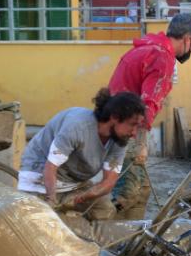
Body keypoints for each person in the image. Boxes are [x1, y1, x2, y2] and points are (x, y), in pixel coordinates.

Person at [108, 13, 191, 219]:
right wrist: (141, 142)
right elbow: (147, 104)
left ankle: (130, 237)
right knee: (127, 193)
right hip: (126, 128)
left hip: (118, 122)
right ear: (187, 39)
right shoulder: (162, 57)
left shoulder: (149, 47)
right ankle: (103, 232)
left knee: (142, 190)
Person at [18, 89, 145, 222]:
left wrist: (86, 196)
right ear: (115, 117)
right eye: (132, 125)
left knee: (105, 210)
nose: (134, 133)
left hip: (75, 183)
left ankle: (86, 240)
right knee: (41, 222)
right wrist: (51, 201)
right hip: (40, 176)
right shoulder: (77, 127)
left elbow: (109, 181)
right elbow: (50, 169)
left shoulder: (120, 140)